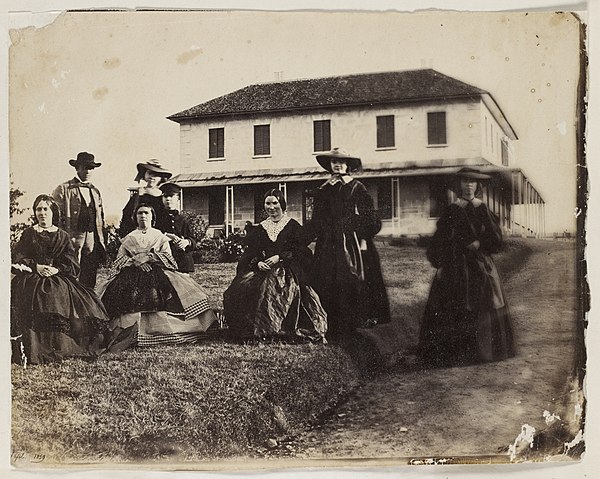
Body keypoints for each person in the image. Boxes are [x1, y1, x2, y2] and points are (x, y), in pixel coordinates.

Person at [418, 167, 515, 367]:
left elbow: (496, 239)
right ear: (459, 185)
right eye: (465, 182)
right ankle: (457, 353)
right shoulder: (453, 209)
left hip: (480, 265)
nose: (468, 185)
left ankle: (484, 351)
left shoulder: (483, 208)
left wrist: (480, 243)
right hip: (456, 264)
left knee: (485, 301)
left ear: (478, 185)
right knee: (454, 303)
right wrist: (442, 260)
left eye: (472, 182)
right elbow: (440, 239)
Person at [101, 203, 217, 350]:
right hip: (131, 273)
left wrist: (149, 257)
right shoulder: (129, 237)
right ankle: (130, 331)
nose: (143, 216)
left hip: (156, 272)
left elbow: (169, 258)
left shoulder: (159, 236)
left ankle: (158, 331)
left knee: (158, 295)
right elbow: (119, 260)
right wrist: (135, 261)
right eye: (140, 213)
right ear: (135, 217)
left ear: (152, 218)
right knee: (126, 296)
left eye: (146, 213)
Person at [303, 148, 390, 341]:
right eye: (334, 162)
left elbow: (371, 218)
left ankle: (353, 322)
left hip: (351, 241)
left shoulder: (357, 187)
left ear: (348, 165)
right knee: (327, 278)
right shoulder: (323, 189)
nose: (337, 165)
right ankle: (329, 322)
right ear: (330, 165)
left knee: (352, 277)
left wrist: (356, 231)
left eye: (341, 162)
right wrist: (304, 237)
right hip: (328, 243)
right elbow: (317, 219)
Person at [11, 195, 109, 364]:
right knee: (31, 293)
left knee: (58, 292)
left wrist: (56, 269)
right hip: (32, 276)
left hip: (57, 276)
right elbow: (19, 256)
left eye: (45, 209)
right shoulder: (29, 233)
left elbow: (71, 261)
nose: (42, 213)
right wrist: (36, 267)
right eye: (38, 209)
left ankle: (59, 343)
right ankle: (34, 344)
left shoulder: (62, 235)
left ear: (52, 212)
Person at [223, 189, 327, 342]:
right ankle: (252, 328)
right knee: (238, 289)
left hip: (289, 270)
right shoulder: (260, 228)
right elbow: (251, 253)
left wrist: (280, 257)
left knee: (272, 287)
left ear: (282, 204)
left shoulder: (292, 226)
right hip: (263, 269)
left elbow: (301, 252)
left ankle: (274, 328)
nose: (271, 207)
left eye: (274, 203)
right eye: (268, 203)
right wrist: (258, 262)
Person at [52, 151, 106, 288]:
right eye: (84, 167)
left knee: (89, 269)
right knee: (70, 267)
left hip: (91, 236)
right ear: (77, 168)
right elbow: (54, 215)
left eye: (91, 168)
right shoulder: (63, 189)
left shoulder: (95, 191)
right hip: (72, 234)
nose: (87, 171)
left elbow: (101, 218)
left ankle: (87, 300)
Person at [118, 159, 172, 237]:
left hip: (160, 236)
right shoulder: (138, 195)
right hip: (140, 236)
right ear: (144, 175)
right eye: (150, 173)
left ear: (161, 178)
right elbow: (127, 215)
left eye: (156, 175)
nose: (152, 177)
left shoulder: (164, 196)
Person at [155, 182, 196, 273]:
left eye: (171, 196)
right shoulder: (157, 219)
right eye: (165, 196)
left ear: (177, 199)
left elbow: (193, 239)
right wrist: (167, 235)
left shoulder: (183, 220)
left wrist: (186, 242)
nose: (168, 199)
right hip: (164, 259)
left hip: (183, 262)